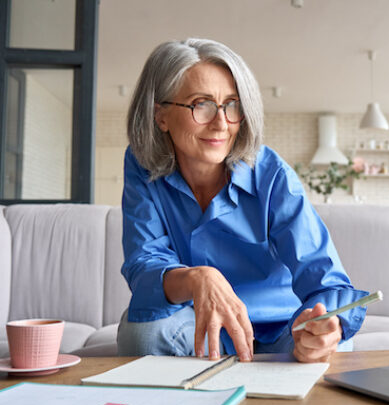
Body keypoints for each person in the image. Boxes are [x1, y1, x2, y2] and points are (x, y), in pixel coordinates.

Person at [117, 38, 368, 363]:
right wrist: (196, 278)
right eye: (201, 104)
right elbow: (143, 264)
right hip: (199, 329)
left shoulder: (271, 173)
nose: (222, 123)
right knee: (142, 333)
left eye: (232, 105)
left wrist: (325, 326)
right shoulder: (141, 165)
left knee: (332, 348)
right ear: (160, 115)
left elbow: (323, 277)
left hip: (282, 331)